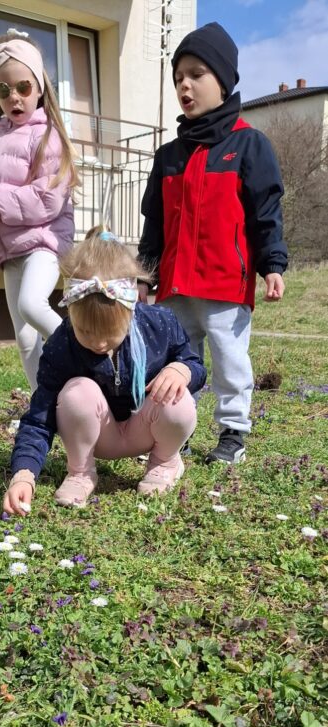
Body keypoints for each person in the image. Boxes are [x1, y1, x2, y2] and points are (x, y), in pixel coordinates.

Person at [138, 21, 288, 464]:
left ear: (223, 81)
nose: (185, 84)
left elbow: (266, 213)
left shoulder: (249, 146)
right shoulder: (168, 156)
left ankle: (232, 433)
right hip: (174, 287)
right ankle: (173, 431)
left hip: (225, 283)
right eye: (178, 77)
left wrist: (272, 264)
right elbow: (155, 224)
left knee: (228, 361)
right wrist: (146, 274)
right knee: (172, 365)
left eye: (197, 74)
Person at [2, 228, 206, 515]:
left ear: (132, 307)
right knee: (76, 393)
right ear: (71, 311)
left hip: (145, 428)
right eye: (85, 332)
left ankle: (164, 462)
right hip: (98, 438)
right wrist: (24, 474)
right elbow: (39, 417)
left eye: (110, 334)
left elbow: (195, 363)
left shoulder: (159, 323)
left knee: (178, 398)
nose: (98, 343)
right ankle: (81, 472)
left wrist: (182, 369)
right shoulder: (62, 343)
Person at [0, 29, 79, 389]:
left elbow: (49, 198)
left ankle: (84, 352)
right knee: (25, 339)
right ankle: (47, 403)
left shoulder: (49, 136)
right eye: (3, 90)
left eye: (23, 87)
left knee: (31, 304)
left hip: (44, 242)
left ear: (39, 87)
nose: (15, 97)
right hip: (9, 250)